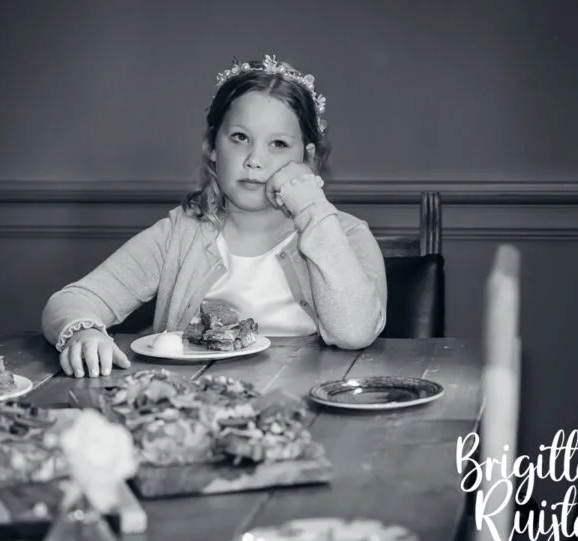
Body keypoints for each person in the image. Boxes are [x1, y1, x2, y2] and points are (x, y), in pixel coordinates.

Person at [42, 54, 387, 378]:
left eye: (278, 144)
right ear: (212, 146)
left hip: (309, 410)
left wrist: (311, 205)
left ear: (308, 157)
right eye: (240, 138)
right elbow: (72, 300)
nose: (255, 160)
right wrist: (83, 331)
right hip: (198, 412)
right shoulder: (179, 235)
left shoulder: (347, 235)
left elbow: (355, 332)